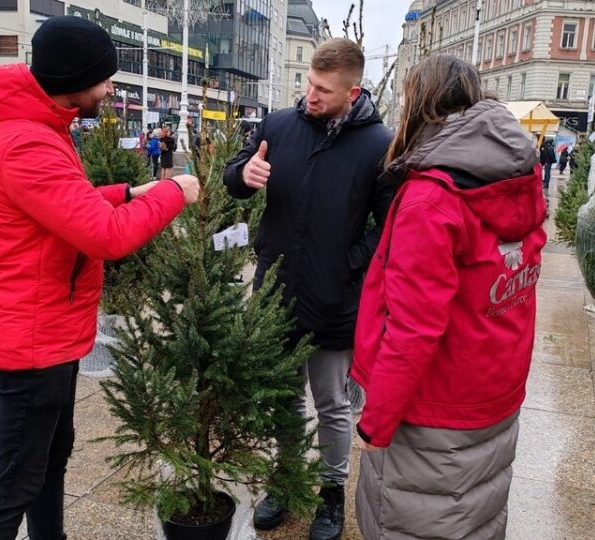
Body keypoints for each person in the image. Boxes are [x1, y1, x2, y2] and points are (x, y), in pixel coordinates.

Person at [0, 15, 200, 540]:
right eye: (104, 79)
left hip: (45, 333)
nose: (109, 89)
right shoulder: (26, 142)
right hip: (29, 341)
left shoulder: (37, 126)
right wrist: (174, 193)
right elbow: (105, 236)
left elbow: (63, 208)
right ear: (74, 83)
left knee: (46, 464)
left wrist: (129, 193)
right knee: (14, 483)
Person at [351, 54, 547, 540]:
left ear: (419, 105)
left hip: (432, 410)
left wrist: (376, 423)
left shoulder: (432, 197)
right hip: (494, 392)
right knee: (475, 518)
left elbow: (413, 328)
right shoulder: (516, 178)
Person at [223, 37, 394, 540]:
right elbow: (233, 175)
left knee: (333, 404)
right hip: (276, 290)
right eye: (308, 84)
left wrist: (349, 264)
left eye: (322, 89)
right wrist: (243, 174)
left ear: (352, 91)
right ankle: (286, 479)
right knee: (283, 398)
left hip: (335, 299)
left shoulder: (377, 144)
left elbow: (388, 225)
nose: (310, 95)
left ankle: (330, 494)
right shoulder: (278, 125)